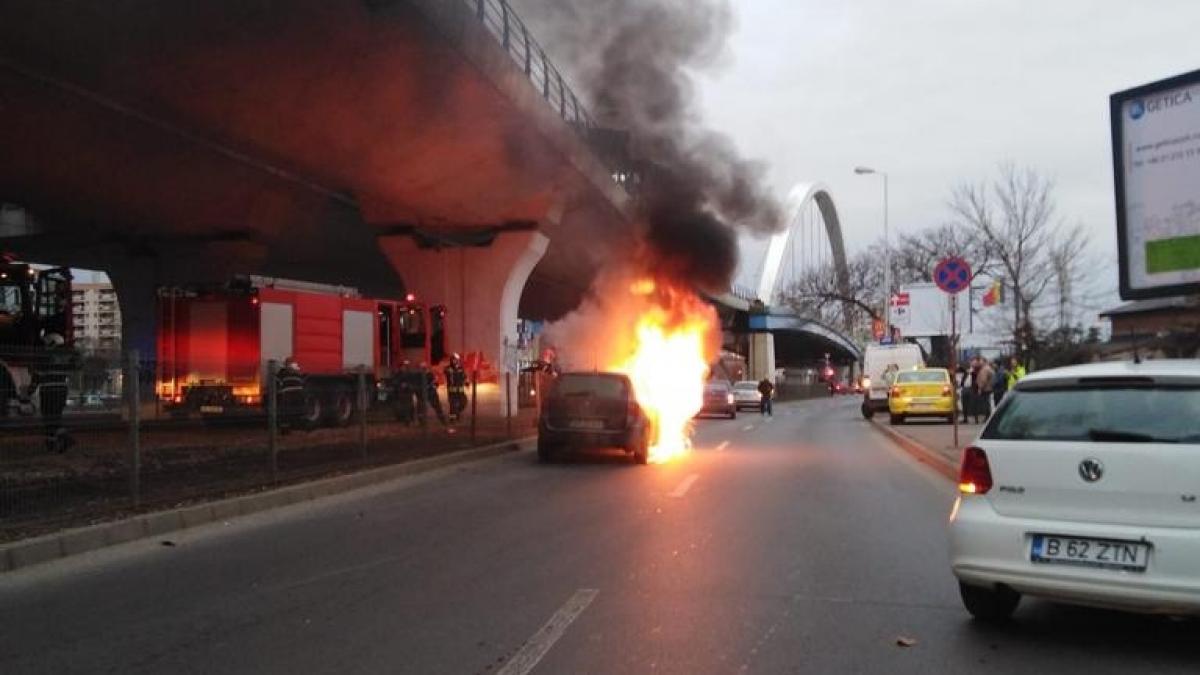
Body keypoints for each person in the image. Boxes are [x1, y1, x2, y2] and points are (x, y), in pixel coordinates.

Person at [34, 332, 75, 453]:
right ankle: (52, 443)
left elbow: (38, 374)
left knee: (48, 418)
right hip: (62, 391)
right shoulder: (65, 357)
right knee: (56, 417)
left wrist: (30, 390)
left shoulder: (45, 356)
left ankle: (62, 439)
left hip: (48, 391)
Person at [275, 357, 305, 433]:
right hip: (298, 394)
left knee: (286, 412)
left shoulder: (283, 373)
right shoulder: (297, 373)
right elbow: (302, 382)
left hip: (288, 395)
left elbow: (277, 381)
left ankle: (285, 429)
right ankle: (297, 426)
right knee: (296, 411)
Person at [444, 354, 468, 422]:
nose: (456, 361)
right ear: (451, 360)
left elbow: (464, 376)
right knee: (453, 405)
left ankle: (457, 413)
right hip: (452, 391)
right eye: (454, 360)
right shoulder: (448, 369)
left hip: (460, 390)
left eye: (457, 360)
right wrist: (454, 369)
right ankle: (452, 419)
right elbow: (447, 372)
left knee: (464, 403)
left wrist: (466, 382)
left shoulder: (460, 368)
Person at [975, 357, 994, 422]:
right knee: (987, 403)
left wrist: (980, 388)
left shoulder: (984, 369)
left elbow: (983, 380)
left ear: (984, 362)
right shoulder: (988, 368)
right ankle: (988, 416)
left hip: (985, 389)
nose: (979, 362)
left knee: (985, 403)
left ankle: (987, 417)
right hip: (988, 388)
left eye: (981, 361)